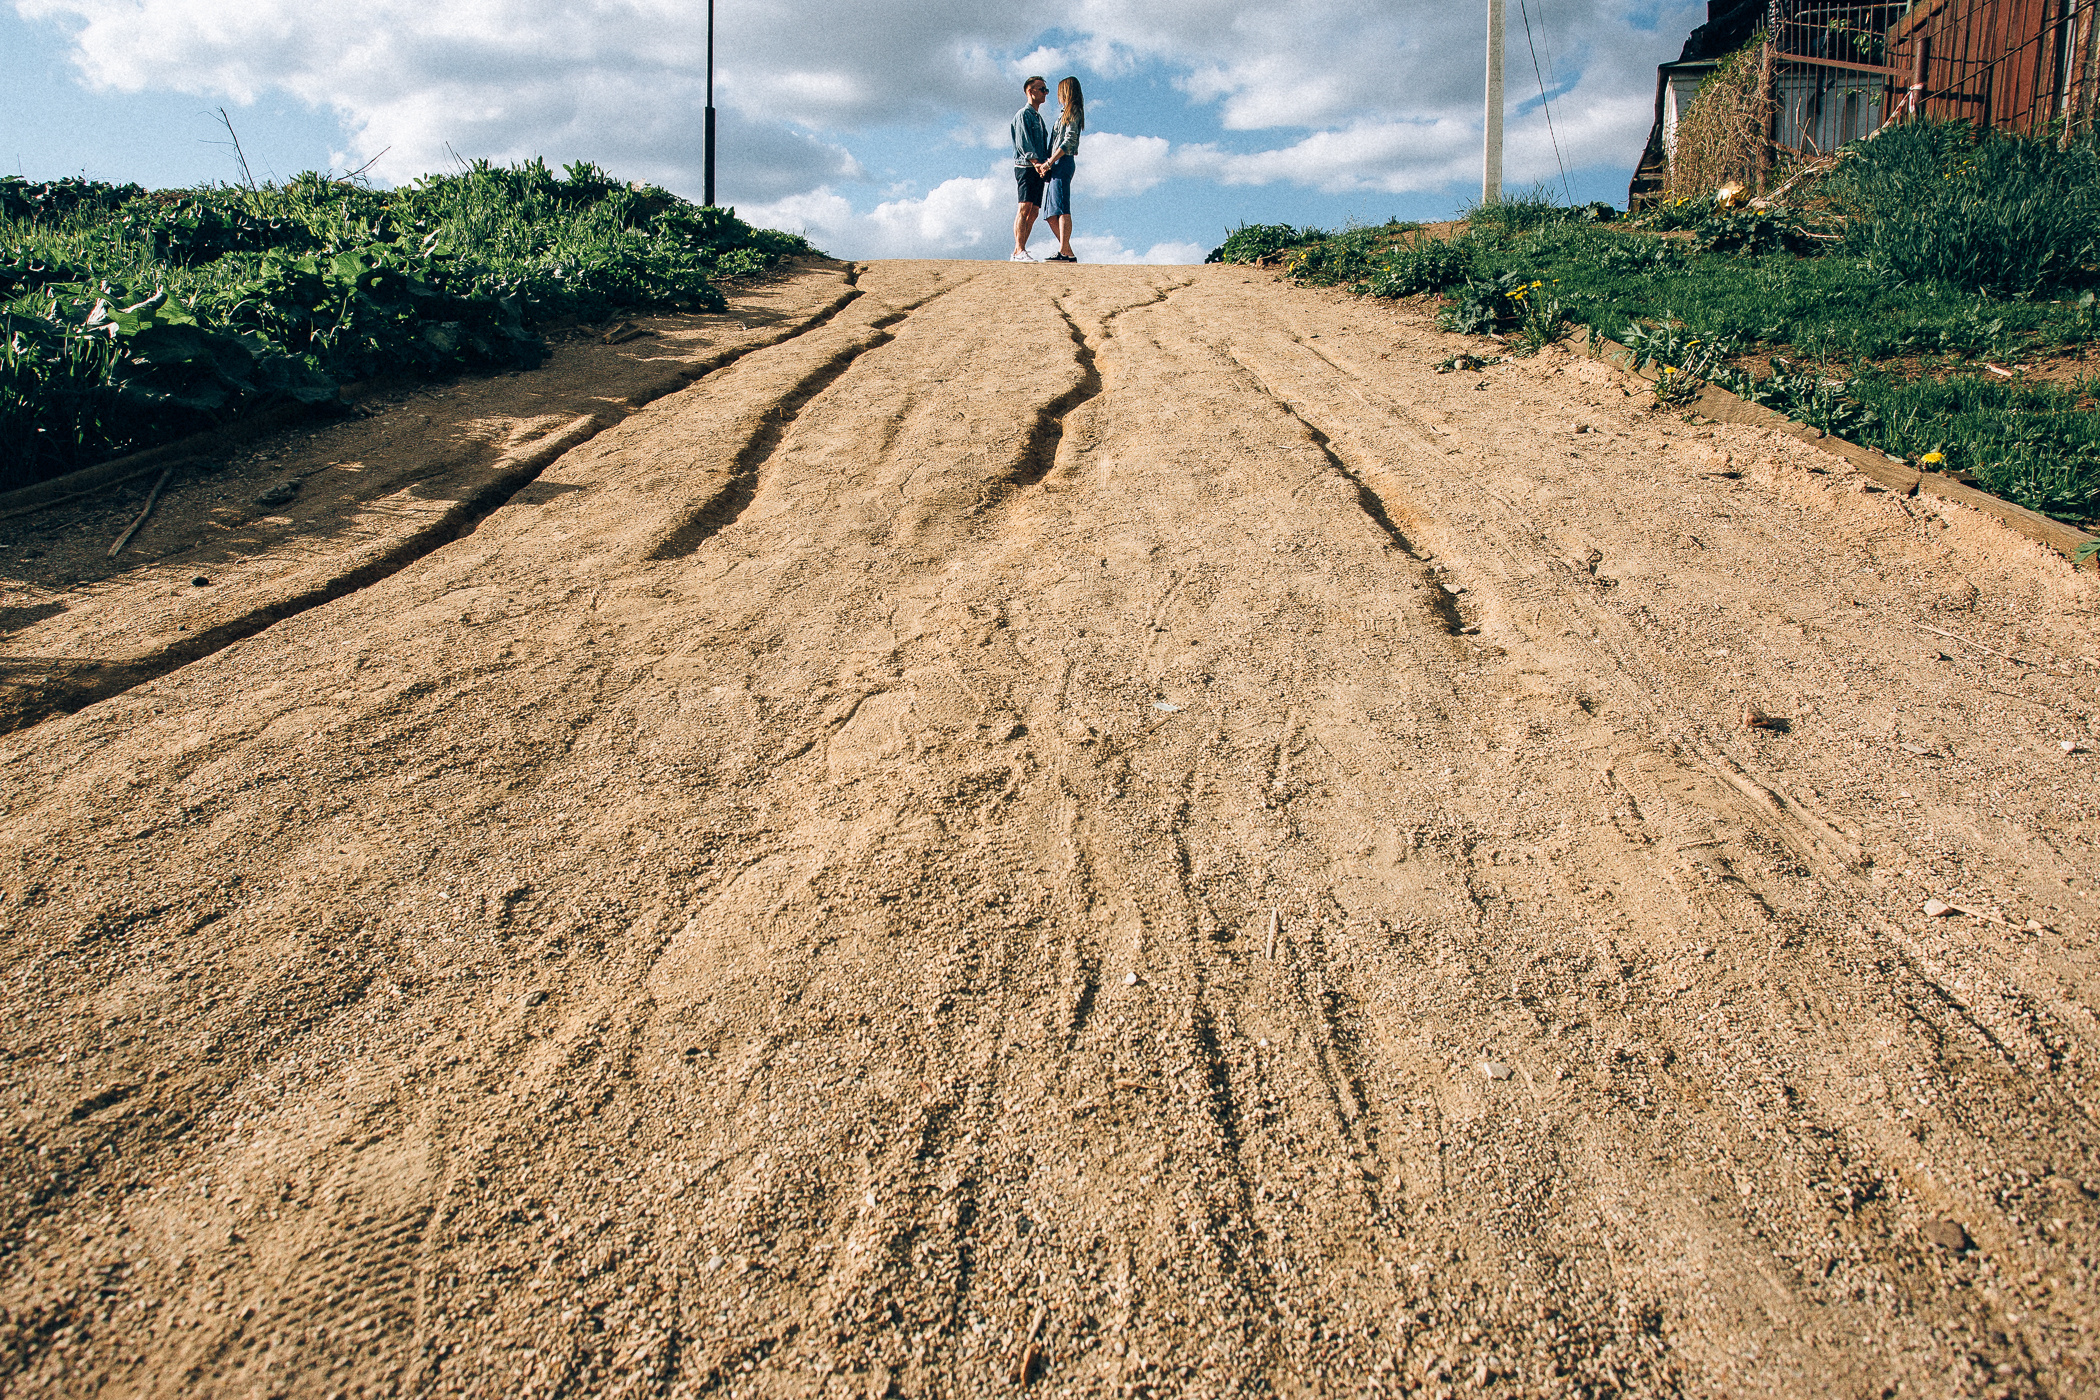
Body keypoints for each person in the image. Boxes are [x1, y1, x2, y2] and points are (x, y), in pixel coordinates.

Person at [1041, 77, 1084, 262]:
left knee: (1062, 208)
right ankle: (1067, 251)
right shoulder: (1063, 112)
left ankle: (1064, 252)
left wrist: (1050, 162)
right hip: (1056, 164)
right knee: (1051, 213)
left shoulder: (1072, 110)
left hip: (1063, 162)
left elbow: (1068, 140)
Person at [1010, 76, 1051, 262]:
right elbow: (1023, 142)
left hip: (1038, 168)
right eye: (1041, 89)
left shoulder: (1038, 118)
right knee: (1024, 207)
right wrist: (1035, 163)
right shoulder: (1023, 115)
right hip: (1026, 167)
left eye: (1045, 89)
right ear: (1030, 91)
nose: (1045, 92)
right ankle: (1019, 251)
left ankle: (1020, 250)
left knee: (1034, 211)